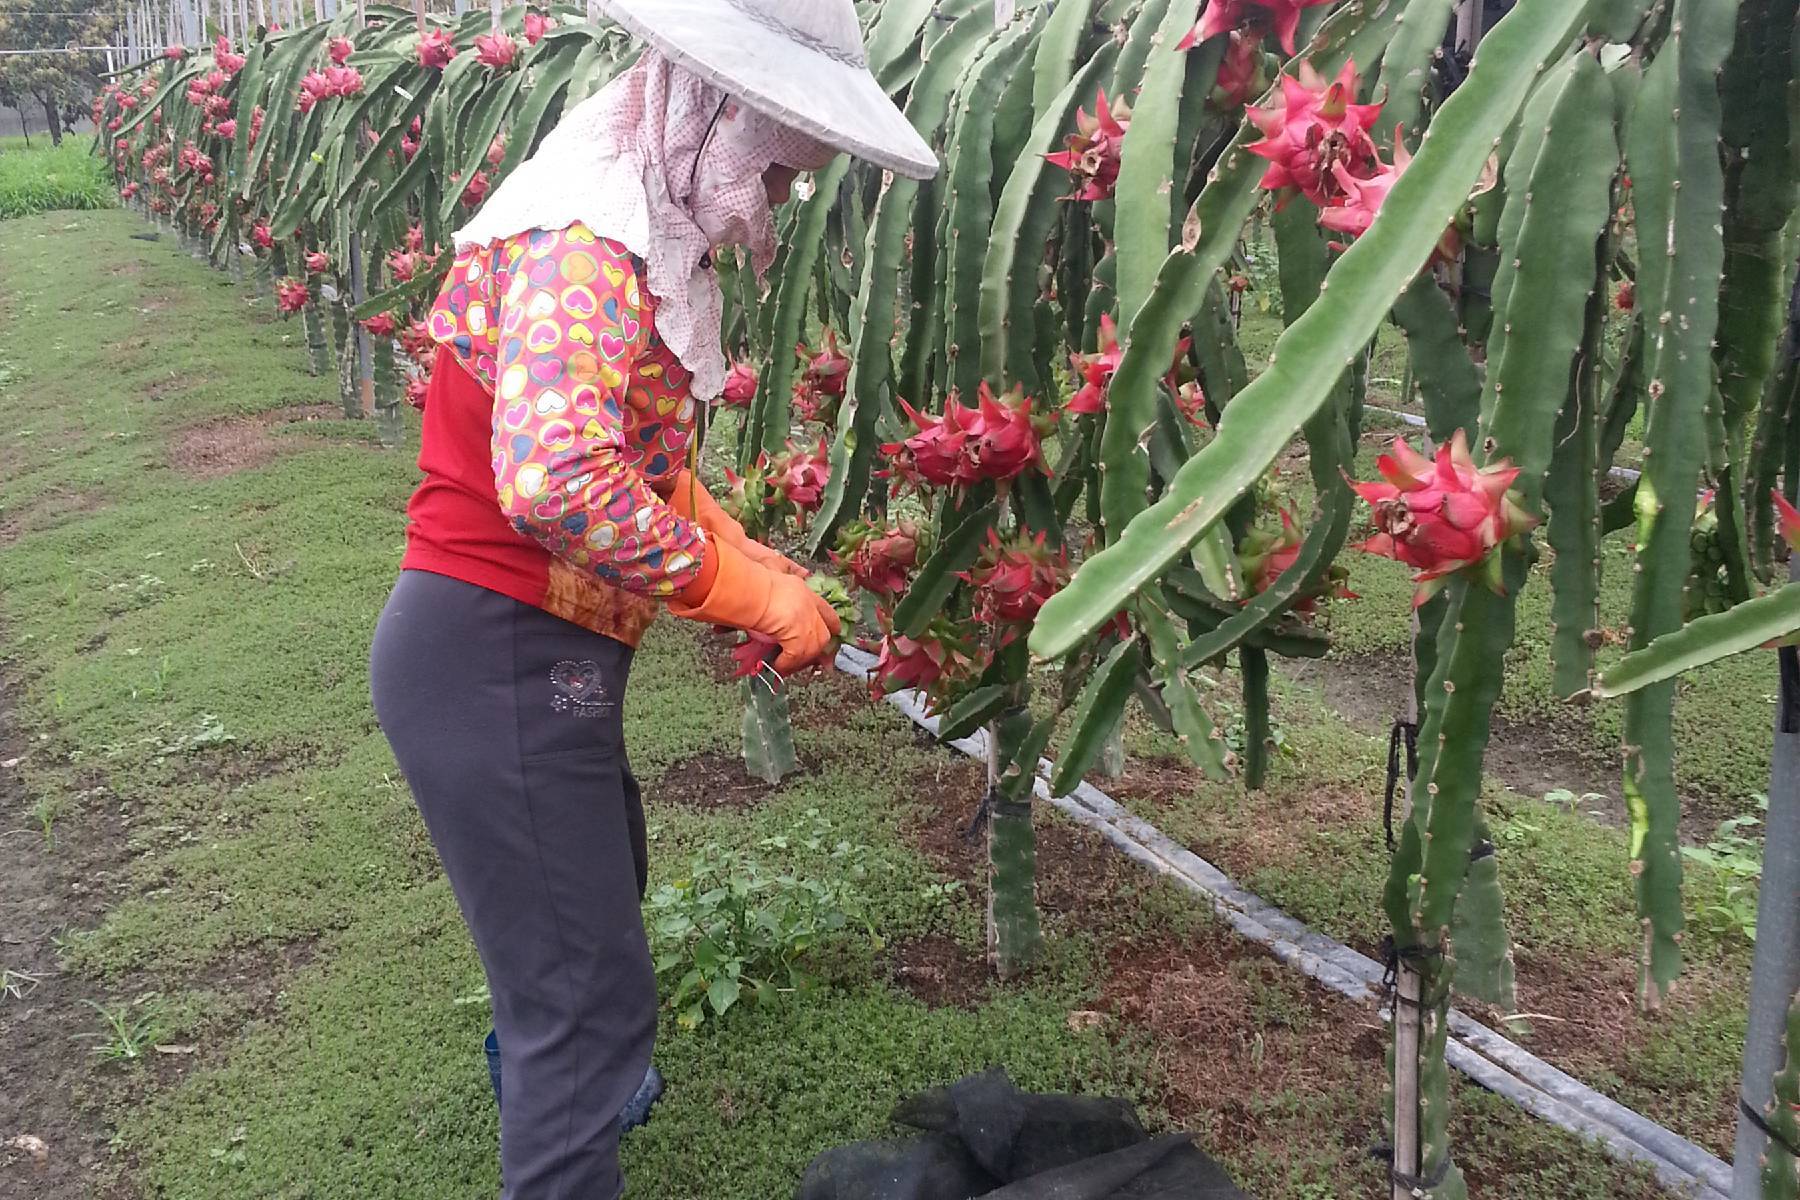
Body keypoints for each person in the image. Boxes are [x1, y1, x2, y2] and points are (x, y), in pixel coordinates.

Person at [366, 1, 937, 1197]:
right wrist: (739, 593)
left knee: (590, 900)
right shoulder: (589, 236)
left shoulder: (629, 206)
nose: (772, 205)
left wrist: (732, 545)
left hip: (521, 656)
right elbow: (557, 480)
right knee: (582, 1002)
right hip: (497, 651)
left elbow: (631, 449)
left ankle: (565, 1087)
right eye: (777, 176)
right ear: (720, 114)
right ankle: (566, 1112)